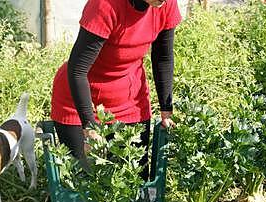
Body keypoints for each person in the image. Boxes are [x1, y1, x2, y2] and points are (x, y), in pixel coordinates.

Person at [50, 0, 182, 180]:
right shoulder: (105, 5)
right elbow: (77, 70)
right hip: (80, 101)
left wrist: (166, 110)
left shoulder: (165, 3)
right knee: (85, 184)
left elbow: (163, 57)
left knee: (134, 182)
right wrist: (89, 128)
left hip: (130, 101)